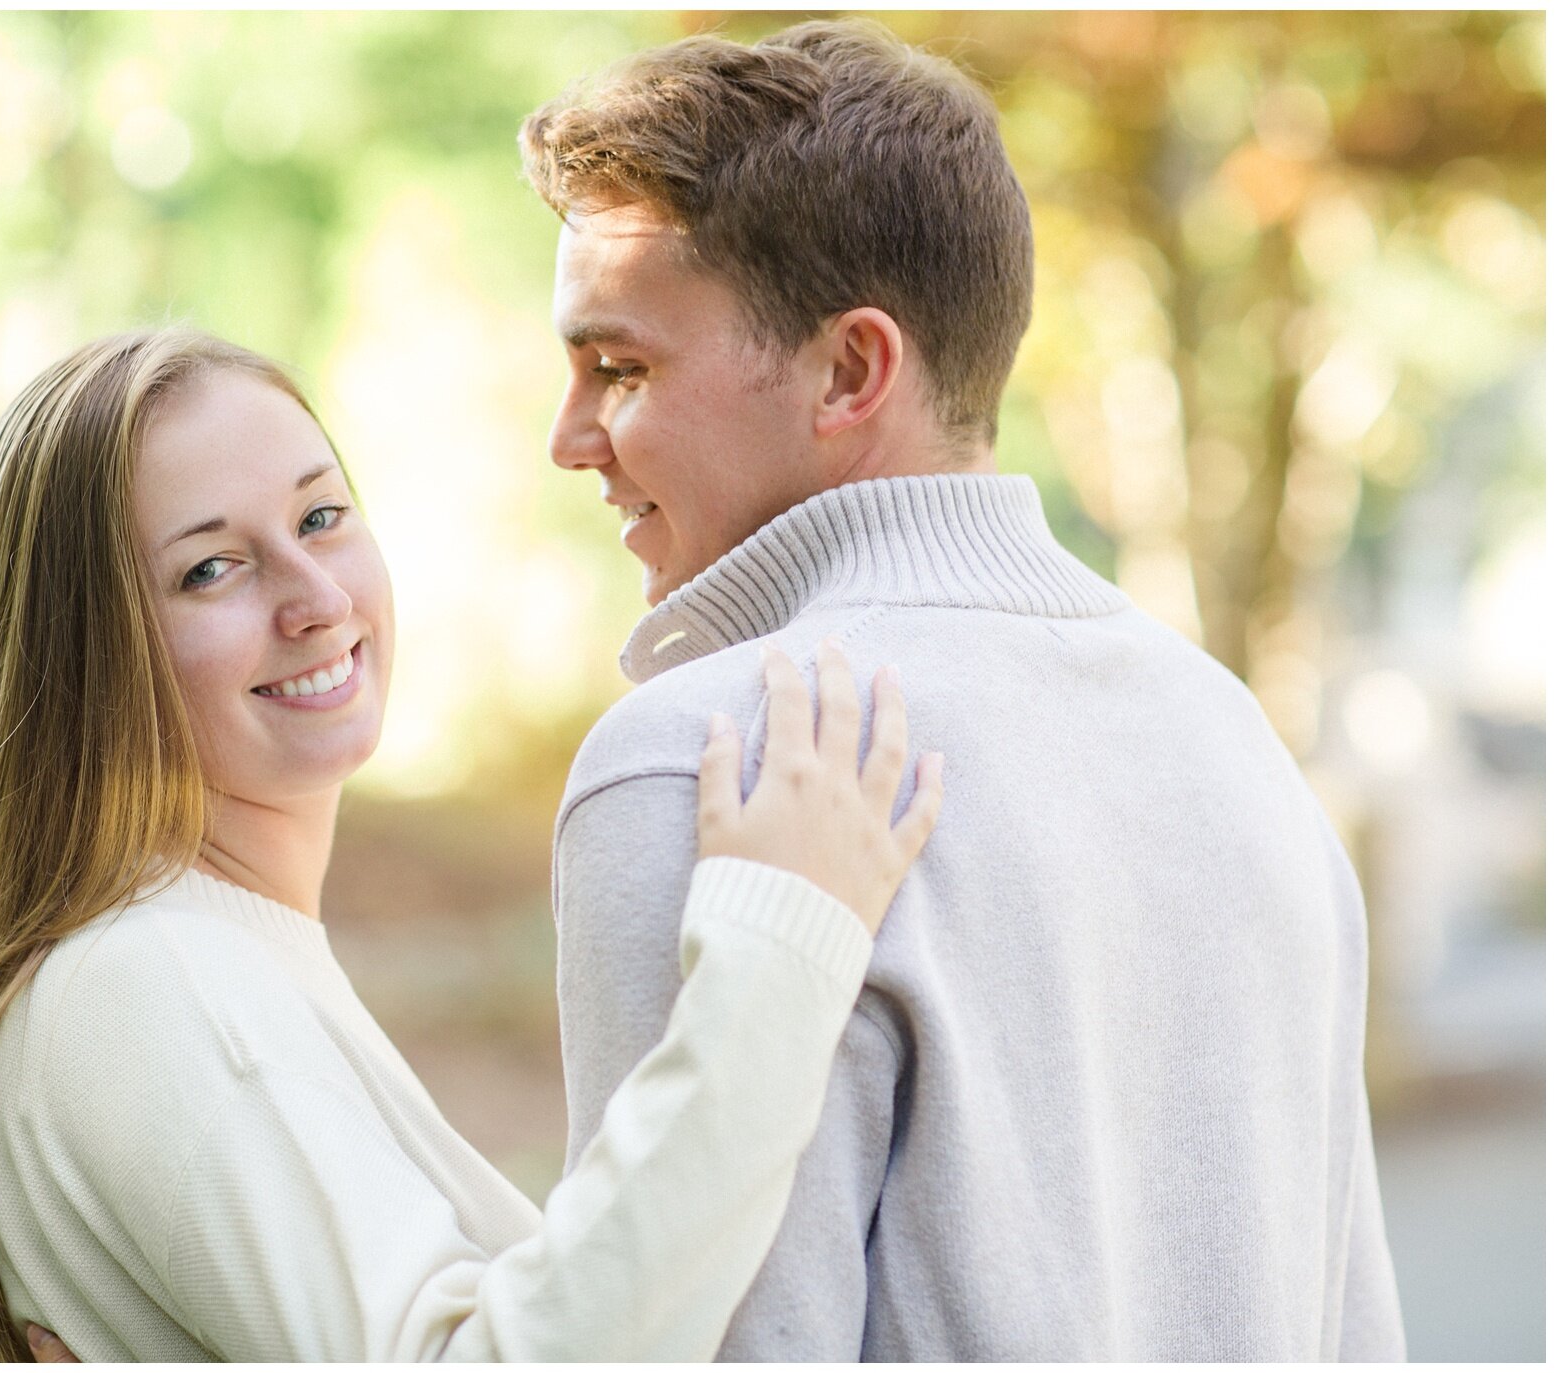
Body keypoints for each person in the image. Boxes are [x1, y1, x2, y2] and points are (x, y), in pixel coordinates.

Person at [516, 18, 1405, 1360]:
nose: (568, 438)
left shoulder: (703, 757)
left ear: (850, 370)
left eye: (620, 368)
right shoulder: (1233, 741)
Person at [0, 327, 945, 1360]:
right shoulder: (146, 977)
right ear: (88, 655)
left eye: (321, 515)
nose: (316, 597)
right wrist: (775, 951)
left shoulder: (220, 955)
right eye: (213, 568)